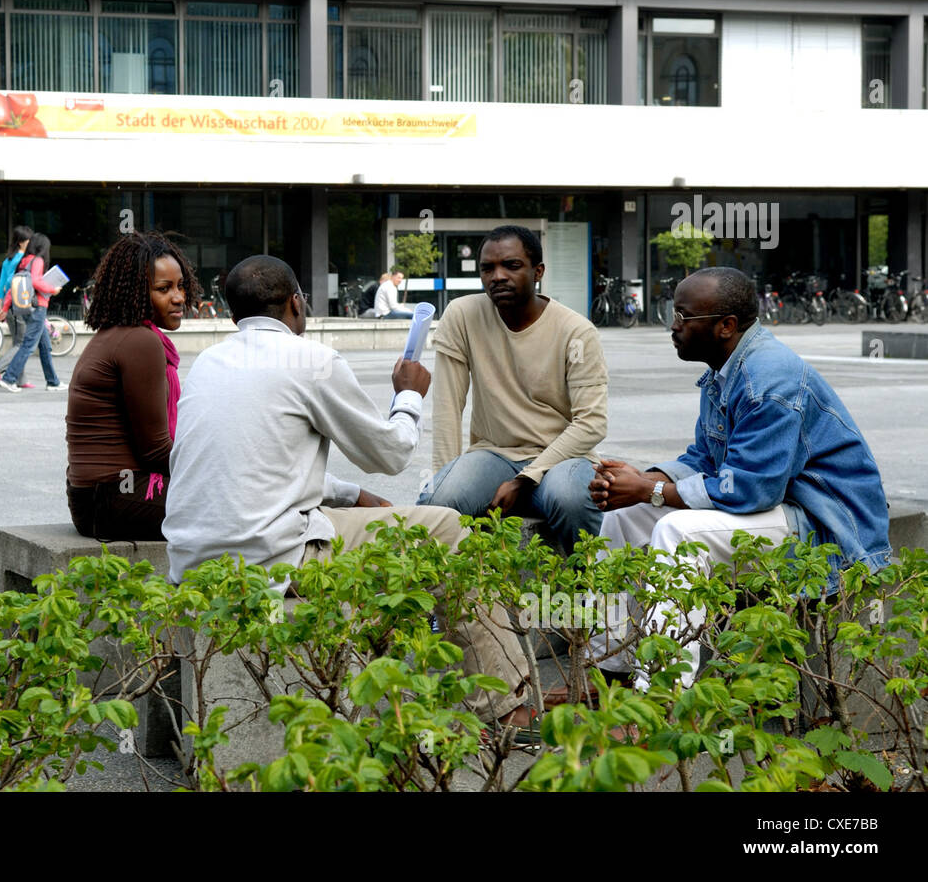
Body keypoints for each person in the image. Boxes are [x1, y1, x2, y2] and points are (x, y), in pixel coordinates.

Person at [163, 254, 535, 739]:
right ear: (297, 302)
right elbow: (391, 452)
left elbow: (262, 466)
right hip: (272, 559)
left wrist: (349, 493)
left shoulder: (209, 362)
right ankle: (506, 708)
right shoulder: (311, 359)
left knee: (387, 532)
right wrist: (409, 394)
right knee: (445, 527)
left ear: (235, 315)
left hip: (193, 564)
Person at [588, 266, 891, 686]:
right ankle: (610, 671)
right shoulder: (725, 367)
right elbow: (705, 457)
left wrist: (651, 489)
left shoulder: (768, 379)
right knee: (623, 518)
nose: (672, 328)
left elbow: (749, 490)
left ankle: (661, 696)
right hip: (777, 502)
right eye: (671, 314)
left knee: (679, 532)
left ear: (726, 325)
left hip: (823, 523)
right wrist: (641, 480)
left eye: (682, 317)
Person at [417, 225, 607, 554]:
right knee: (437, 501)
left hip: (562, 459)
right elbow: (448, 408)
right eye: (488, 268)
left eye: (512, 265)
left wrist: (525, 479)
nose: (498, 276)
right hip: (493, 454)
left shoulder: (577, 331)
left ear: (538, 272)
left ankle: (592, 589)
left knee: (571, 499)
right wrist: (444, 480)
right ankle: (446, 599)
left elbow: (592, 423)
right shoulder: (463, 316)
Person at [65, 231, 198, 540]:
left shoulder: (118, 334)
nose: (178, 297)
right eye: (163, 289)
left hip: (97, 497)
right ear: (137, 293)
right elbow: (155, 451)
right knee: (239, 505)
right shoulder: (141, 341)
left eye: (181, 286)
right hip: (115, 499)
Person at [0, 234, 65, 393]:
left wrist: (5, 308)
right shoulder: (38, 260)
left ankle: (52, 381)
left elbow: (13, 286)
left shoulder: (23, 261)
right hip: (37, 307)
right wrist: (52, 289)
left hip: (25, 307)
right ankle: (9, 378)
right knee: (28, 345)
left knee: (45, 346)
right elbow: (35, 281)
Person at [0, 226, 34, 385]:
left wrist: (1, 307)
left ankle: (20, 379)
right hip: (18, 305)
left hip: (8, 306)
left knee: (18, 342)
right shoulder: (22, 259)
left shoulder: (7, 260)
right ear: (23, 242)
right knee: (21, 343)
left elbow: (1, 284)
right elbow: (10, 281)